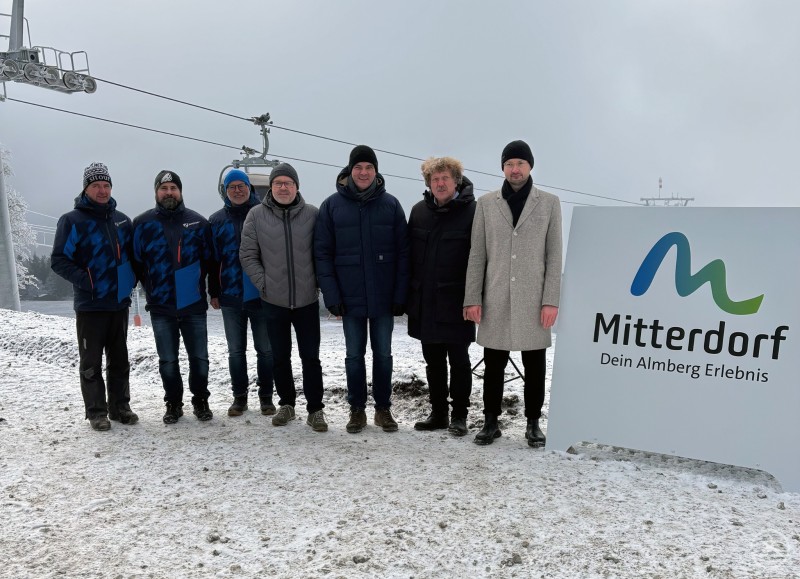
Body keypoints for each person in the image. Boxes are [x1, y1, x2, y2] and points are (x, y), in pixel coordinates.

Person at [463, 140, 562, 447]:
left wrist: (550, 300)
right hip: (495, 296)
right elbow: (477, 254)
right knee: (493, 364)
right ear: (503, 168)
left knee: (535, 364)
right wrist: (472, 298)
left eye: (520, 163)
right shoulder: (486, 204)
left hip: (533, 299)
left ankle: (533, 423)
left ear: (530, 166)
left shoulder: (548, 203)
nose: (515, 169)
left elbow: (554, 255)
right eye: (509, 164)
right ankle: (490, 422)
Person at [315, 145, 410, 434]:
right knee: (354, 355)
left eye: (369, 167)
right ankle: (356, 410)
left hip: (383, 298)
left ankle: (383, 409)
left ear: (376, 171)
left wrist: (399, 295)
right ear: (350, 170)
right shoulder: (331, 206)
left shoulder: (391, 205)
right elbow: (322, 253)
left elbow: (404, 253)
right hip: (349, 299)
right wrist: (332, 296)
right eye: (359, 167)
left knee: (383, 354)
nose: (364, 172)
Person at [239, 163, 328, 432]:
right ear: (271, 187)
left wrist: (319, 284)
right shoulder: (256, 216)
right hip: (273, 300)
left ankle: (316, 410)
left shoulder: (312, 214)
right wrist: (264, 283)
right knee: (280, 356)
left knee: (310, 357)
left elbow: (322, 252)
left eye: (288, 183)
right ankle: (287, 404)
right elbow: (247, 254)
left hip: (306, 300)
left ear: (297, 186)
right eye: (278, 183)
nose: (283, 187)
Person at [51, 162, 138, 431]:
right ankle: (96, 412)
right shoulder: (72, 220)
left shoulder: (122, 220)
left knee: (120, 360)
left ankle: (120, 407)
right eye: (96, 186)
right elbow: (59, 260)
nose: (102, 190)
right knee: (91, 362)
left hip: (118, 303)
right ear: (86, 188)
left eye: (106, 185)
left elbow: (133, 257)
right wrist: (87, 281)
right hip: (90, 305)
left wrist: (131, 280)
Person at [133, 170, 218, 424]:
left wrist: (214, 292)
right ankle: (173, 403)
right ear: (156, 192)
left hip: (193, 304)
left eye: (173, 188)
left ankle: (201, 400)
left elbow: (211, 261)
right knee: (168, 360)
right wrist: (149, 286)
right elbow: (136, 261)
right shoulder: (142, 224)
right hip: (161, 305)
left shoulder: (199, 223)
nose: (169, 193)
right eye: (164, 188)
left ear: (180, 191)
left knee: (199, 359)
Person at [407, 157, 476, 437]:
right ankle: (438, 413)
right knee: (433, 361)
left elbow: (479, 259)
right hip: (425, 301)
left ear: (456, 180)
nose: (440, 183)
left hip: (458, 302)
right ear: (428, 183)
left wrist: (475, 298)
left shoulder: (473, 212)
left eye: (445, 178)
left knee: (459, 362)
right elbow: (409, 256)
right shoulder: (418, 212)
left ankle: (459, 415)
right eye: (434, 179)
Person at [209, 169, 276, 417]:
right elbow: (212, 260)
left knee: (265, 350)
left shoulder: (265, 214)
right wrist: (213, 291)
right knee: (236, 350)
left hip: (261, 294)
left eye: (242, 186)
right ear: (225, 191)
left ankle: (266, 398)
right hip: (230, 295)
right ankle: (239, 398)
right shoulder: (216, 221)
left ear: (250, 188)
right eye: (232, 187)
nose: (237, 190)